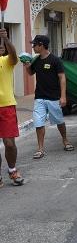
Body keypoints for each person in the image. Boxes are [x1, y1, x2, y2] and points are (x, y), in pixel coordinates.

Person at [23, 35, 74, 159]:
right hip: (39, 97)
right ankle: (40, 149)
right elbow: (31, 73)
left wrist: (63, 96)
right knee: (38, 123)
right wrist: (27, 65)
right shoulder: (36, 60)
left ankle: (65, 140)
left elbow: (62, 77)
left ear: (41, 45)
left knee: (59, 121)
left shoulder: (55, 60)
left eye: (34, 45)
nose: (33, 47)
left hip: (53, 97)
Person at [0, 28, 24, 186]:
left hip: (6, 106)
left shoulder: (6, 61)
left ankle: (12, 170)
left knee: (9, 143)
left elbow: (14, 57)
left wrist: (7, 40)